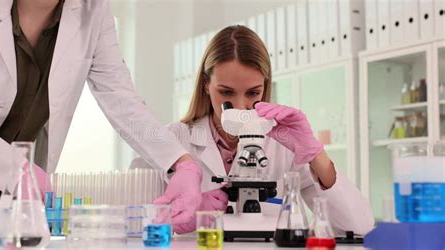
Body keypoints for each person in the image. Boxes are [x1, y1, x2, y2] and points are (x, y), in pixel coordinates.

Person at [0, 0, 203, 235]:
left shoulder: (93, 10)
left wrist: (181, 162)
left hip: (10, 212)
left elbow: (122, 99)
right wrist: (13, 167)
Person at [132, 25, 375, 235]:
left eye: (253, 93)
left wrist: (315, 154)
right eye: (226, 92)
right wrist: (179, 216)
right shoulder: (173, 139)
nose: (240, 106)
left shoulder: (284, 145)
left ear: (265, 87)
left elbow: (359, 226)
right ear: (206, 85)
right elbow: (130, 225)